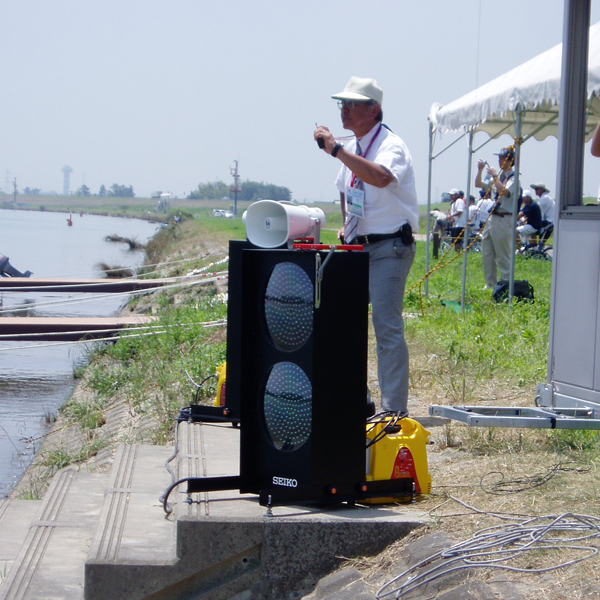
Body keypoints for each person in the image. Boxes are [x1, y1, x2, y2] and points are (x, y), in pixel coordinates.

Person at [314, 76, 418, 417]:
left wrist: (337, 151)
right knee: (346, 323)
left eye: (352, 104)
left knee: (386, 325)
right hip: (359, 247)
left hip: (389, 246)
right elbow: (347, 191)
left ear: (373, 110)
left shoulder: (390, 145)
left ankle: (393, 412)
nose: (344, 110)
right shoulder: (356, 147)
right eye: (341, 104)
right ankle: (355, 401)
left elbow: (381, 177)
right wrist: (347, 226)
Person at [475, 147, 517, 290]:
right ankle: (491, 283)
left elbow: (503, 191)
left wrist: (494, 176)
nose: (500, 160)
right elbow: (479, 184)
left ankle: (505, 285)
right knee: (487, 252)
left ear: (511, 161)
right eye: (499, 157)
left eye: (503, 158)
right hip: (493, 218)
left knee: (503, 255)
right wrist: (480, 170)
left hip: (504, 218)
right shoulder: (498, 176)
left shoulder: (513, 177)